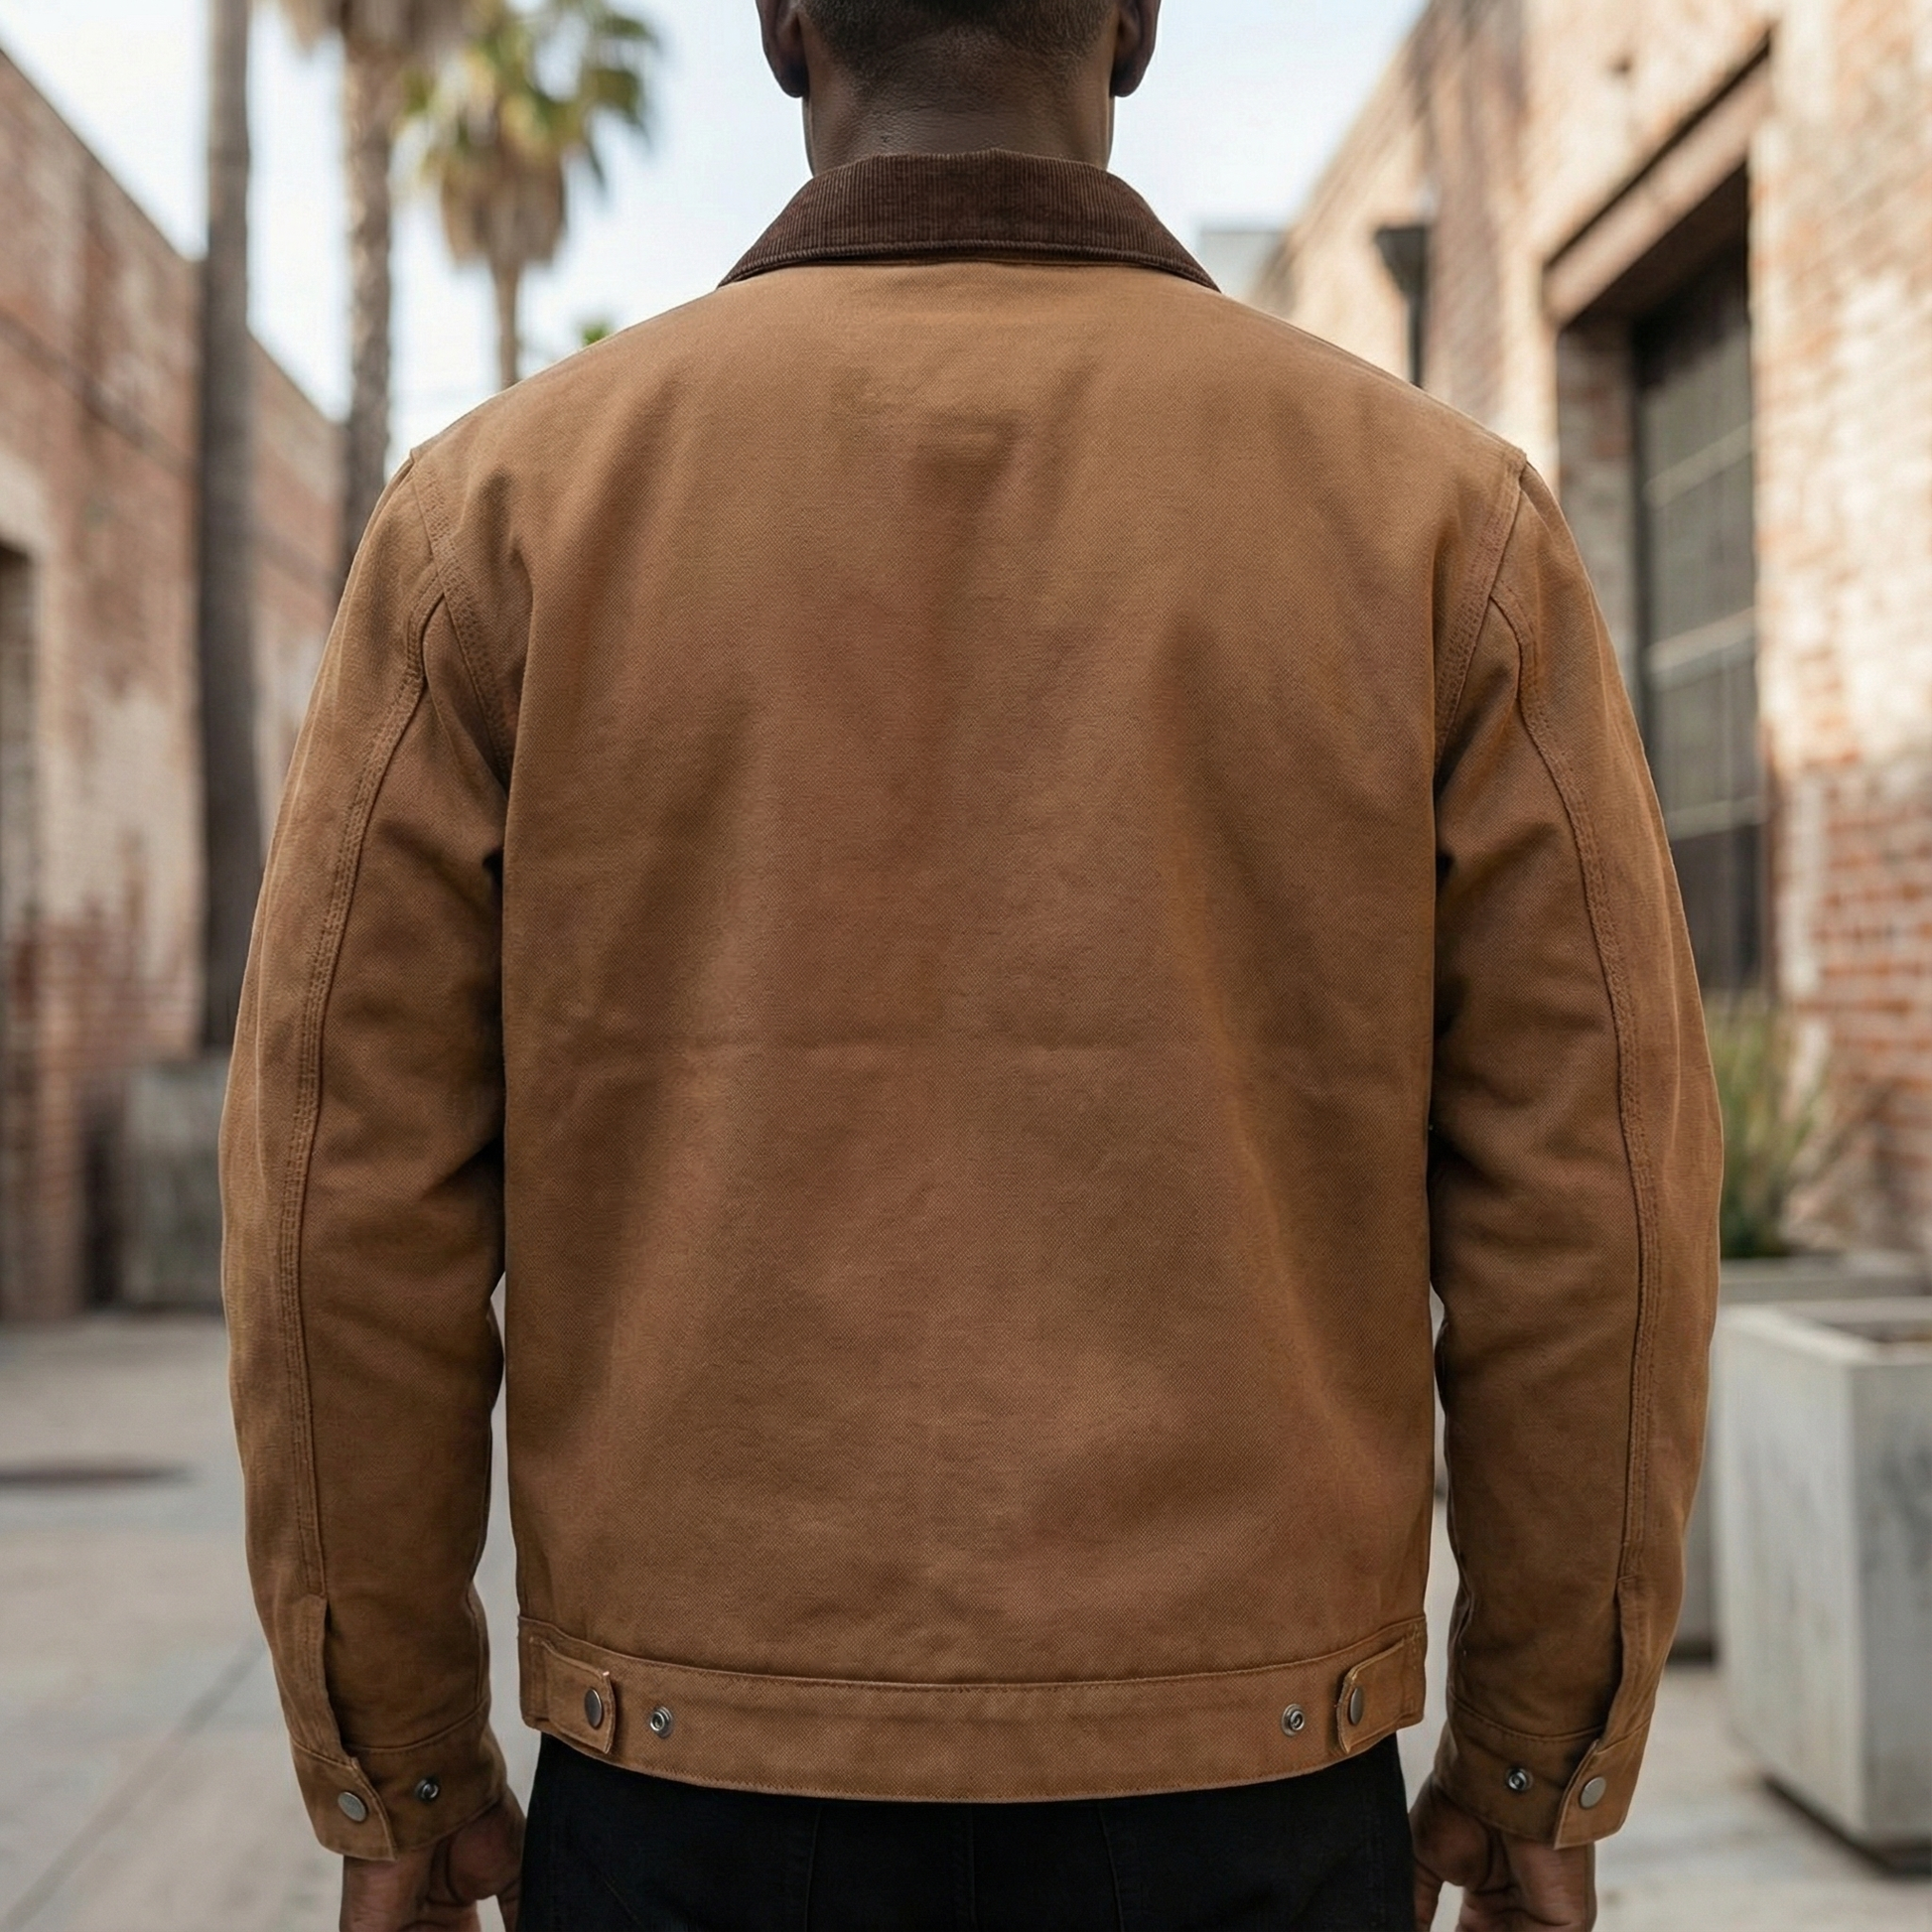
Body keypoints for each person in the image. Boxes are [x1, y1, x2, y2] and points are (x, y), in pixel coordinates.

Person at [221, 2, 1723, 1927]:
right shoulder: (1437, 525)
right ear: (1137, 23)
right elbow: (1592, 1187)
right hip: (1249, 1784)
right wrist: (1536, 1751)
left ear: (782, 26)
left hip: (691, 1795)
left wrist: (401, 1757)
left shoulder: (500, 518)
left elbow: (336, 1198)